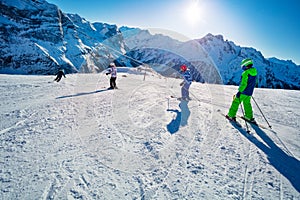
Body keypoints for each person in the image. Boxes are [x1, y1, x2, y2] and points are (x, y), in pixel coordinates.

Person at [226, 58, 258, 123]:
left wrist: (240, 91)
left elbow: (244, 84)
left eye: (242, 66)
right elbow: (254, 82)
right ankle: (249, 117)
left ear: (245, 65)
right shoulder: (254, 72)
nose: (242, 68)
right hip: (249, 92)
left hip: (243, 92)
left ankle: (231, 115)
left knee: (236, 102)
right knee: (247, 103)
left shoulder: (246, 73)